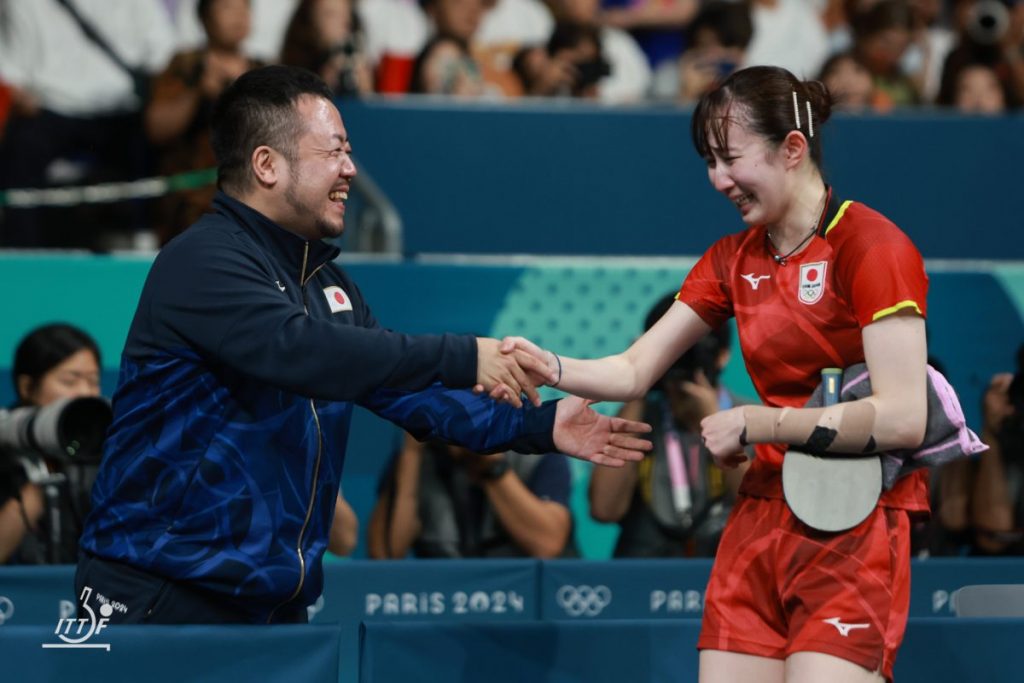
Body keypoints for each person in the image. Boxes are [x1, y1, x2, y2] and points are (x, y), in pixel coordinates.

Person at [74, 65, 651, 625]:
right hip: (160, 596)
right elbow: (299, 352)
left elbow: (409, 392)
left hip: (270, 609)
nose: (351, 169)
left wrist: (541, 427)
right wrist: (463, 353)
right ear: (267, 165)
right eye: (334, 151)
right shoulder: (202, 261)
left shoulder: (327, 285)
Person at [500, 65, 932, 682]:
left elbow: (903, 416)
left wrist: (759, 423)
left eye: (730, 158)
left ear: (792, 148)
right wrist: (554, 366)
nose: (718, 180)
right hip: (760, 519)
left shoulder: (871, 246)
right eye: (709, 162)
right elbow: (632, 369)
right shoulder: (733, 259)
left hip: (853, 521)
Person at [589, 291, 748, 558]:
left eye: (691, 348)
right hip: (646, 569)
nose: (680, 358)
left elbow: (759, 510)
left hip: (726, 571)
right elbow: (604, 510)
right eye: (671, 350)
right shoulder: (636, 417)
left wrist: (713, 420)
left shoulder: (750, 417)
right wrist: (637, 380)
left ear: (722, 355)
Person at [146, 0, 264, 245]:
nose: (238, 16)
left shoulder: (263, 72)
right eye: (227, 8)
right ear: (205, 18)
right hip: (192, 206)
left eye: (244, 8)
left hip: (252, 202)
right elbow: (157, 128)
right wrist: (197, 93)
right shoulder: (185, 66)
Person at [367, 433, 572, 558]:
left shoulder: (535, 449)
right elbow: (385, 554)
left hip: (524, 599)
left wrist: (492, 467)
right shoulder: (417, 459)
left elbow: (547, 544)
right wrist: (411, 453)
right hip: (447, 600)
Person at [0, 324, 103, 564]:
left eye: (93, 381)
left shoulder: (100, 447)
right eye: (69, 381)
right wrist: (39, 488)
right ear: (27, 387)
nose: (85, 393)